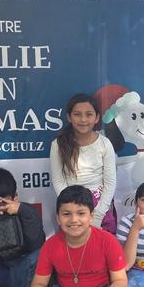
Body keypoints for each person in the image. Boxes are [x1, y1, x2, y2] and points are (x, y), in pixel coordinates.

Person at [50, 93, 117, 233]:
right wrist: (71, 208)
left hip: (100, 205)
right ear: (69, 117)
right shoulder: (58, 145)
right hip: (70, 201)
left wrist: (97, 216)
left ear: (97, 117)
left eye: (88, 114)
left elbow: (110, 182)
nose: (83, 119)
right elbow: (58, 181)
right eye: (77, 114)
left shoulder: (105, 144)